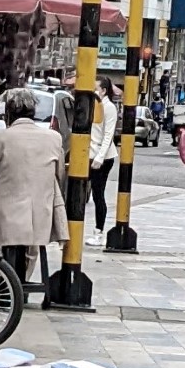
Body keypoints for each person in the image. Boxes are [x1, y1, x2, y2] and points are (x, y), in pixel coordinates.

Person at [0, 88, 70, 286]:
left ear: (8, 114)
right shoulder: (54, 138)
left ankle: (8, 283)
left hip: (5, 218)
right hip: (40, 216)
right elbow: (59, 175)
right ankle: (23, 281)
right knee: (30, 237)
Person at [85, 78, 120, 247]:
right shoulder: (92, 105)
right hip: (87, 154)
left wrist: (99, 157)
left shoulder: (109, 107)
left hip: (102, 157)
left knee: (98, 194)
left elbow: (108, 135)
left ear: (104, 90)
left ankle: (98, 232)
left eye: (95, 88)